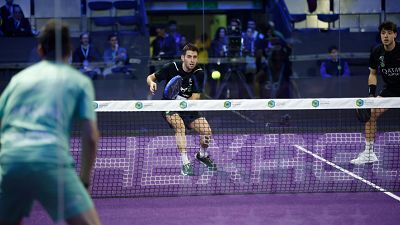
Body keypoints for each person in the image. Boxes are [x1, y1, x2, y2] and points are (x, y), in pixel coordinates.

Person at [0, 20, 101, 225]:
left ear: (40, 50)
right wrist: (84, 180)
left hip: (11, 161)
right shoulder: (79, 81)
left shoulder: (18, 80)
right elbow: (90, 137)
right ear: (69, 51)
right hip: (50, 159)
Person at [146, 43, 216, 176]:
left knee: (207, 132)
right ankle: (185, 163)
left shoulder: (199, 73)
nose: (192, 60)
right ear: (183, 57)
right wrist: (152, 83)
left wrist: (182, 104)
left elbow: (195, 96)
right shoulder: (171, 67)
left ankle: (201, 155)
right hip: (169, 106)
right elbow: (150, 77)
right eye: (189, 56)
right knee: (180, 126)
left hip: (188, 108)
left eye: (195, 57)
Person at [350, 21, 399, 165]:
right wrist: (371, 94)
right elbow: (372, 74)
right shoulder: (377, 52)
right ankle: (369, 153)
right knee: (370, 114)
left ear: (395, 35)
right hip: (390, 91)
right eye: (383, 33)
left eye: (390, 33)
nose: (386, 36)